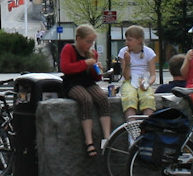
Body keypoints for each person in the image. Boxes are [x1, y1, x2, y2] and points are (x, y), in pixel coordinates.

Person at [59, 24, 108, 158]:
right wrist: (85, 63)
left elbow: (96, 78)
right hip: (72, 82)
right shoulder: (69, 49)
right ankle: (89, 141)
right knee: (86, 100)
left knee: (103, 98)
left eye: (92, 42)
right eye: (88, 41)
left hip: (87, 82)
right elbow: (66, 68)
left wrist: (97, 70)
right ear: (78, 39)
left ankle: (107, 138)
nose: (90, 45)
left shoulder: (93, 54)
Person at [117, 25, 159, 117]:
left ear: (139, 40)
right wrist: (127, 62)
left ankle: (148, 124)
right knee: (129, 97)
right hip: (130, 80)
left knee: (147, 97)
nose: (126, 42)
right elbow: (126, 76)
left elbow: (153, 75)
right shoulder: (124, 52)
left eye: (129, 40)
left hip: (143, 79)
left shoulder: (149, 52)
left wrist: (148, 84)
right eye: (126, 39)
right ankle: (132, 126)